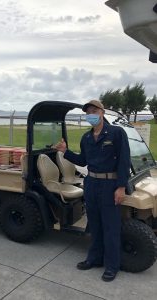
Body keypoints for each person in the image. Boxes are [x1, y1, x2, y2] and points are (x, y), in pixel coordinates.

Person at [54, 99, 130, 282]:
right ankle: (94, 259)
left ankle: (112, 266)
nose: (91, 115)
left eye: (94, 111)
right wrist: (65, 151)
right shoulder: (86, 138)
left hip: (110, 186)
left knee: (110, 228)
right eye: (88, 112)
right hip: (91, 185)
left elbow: (124, 161)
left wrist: (121, 187)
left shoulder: (116, 133)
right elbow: (83, 161)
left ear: (102, 112)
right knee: (94, 226)